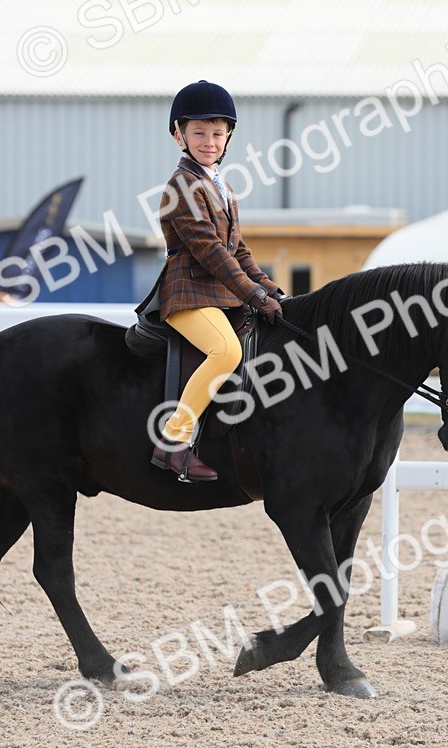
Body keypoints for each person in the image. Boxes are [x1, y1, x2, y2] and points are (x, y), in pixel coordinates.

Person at [141, 80, 284, 482]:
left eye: (217, 134)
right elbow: (210, 250)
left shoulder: (221, 184)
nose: (209, 141)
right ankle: (173, 441)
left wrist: (270, 288)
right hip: (187, 293)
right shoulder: (182, 185)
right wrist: (253, 294)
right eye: (199, 132)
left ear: (228, 138)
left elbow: (238, 249)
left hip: (219, 295)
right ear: (179, 136)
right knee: (225, 352)